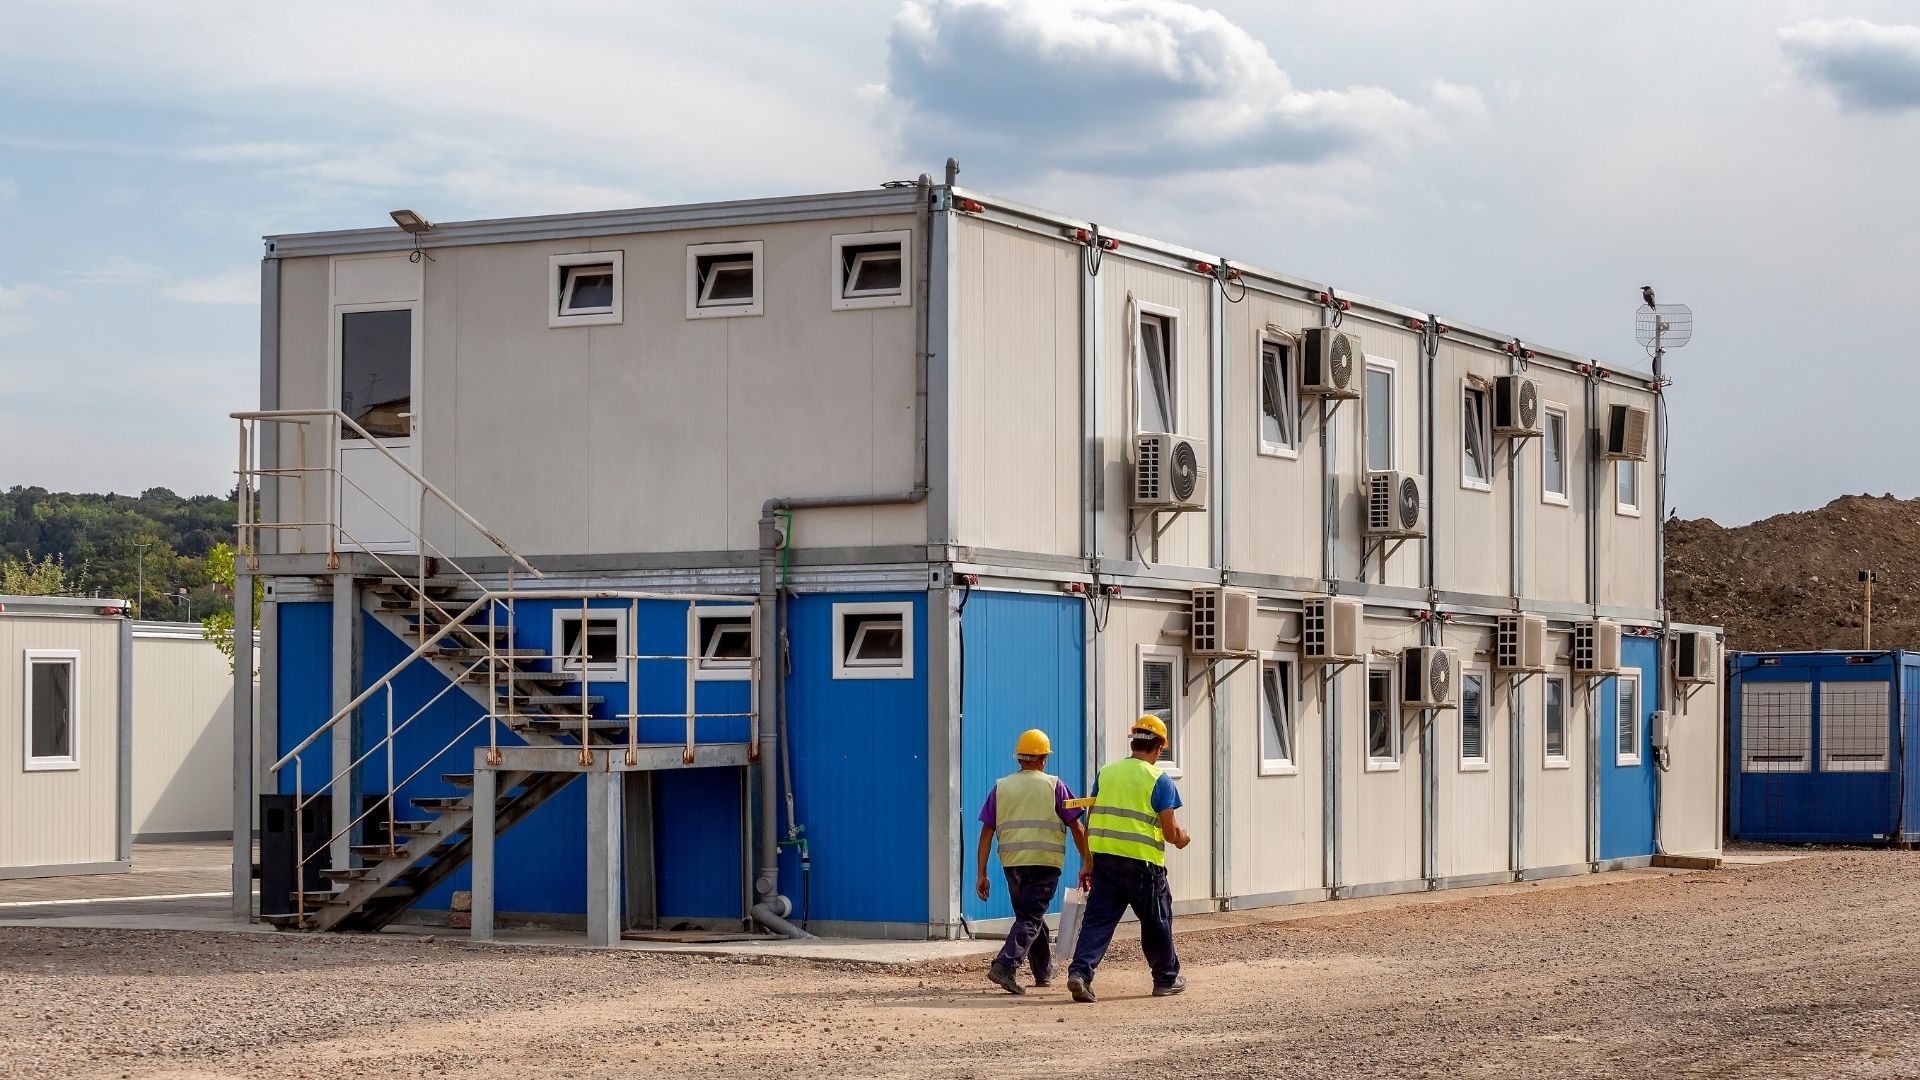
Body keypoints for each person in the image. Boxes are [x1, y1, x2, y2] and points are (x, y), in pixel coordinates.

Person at [1066, 714, 1191, 1003]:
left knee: (1097, 921)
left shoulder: (1106, 773)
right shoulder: (1160, 780)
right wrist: (1182, 838)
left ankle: (1080, 973)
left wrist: (1087, 861)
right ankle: (1165, 979)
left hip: (1105, 862)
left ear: (1134, 742)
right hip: (1143, 866)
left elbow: (1093, 817)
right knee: (1156, 920)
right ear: (1159, 747)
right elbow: (1170, 831)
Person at [975, 728, 1091, 995]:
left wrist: (981, 872)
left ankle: (1042, 971)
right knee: (1030, 916)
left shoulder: (1001, 787)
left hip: (1012, 864)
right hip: (1044, 863)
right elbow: (1078, 828)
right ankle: (1005, 964)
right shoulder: (1055, 785)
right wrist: (1087, 861)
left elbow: (986, 833)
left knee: (1029, 915)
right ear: (1043, 759)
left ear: (1019, 758)